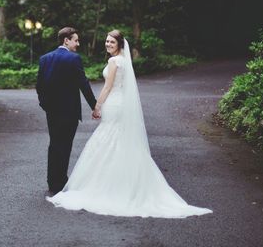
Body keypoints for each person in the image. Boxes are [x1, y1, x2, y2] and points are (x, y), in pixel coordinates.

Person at [46, 29, 212, 218]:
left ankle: (107, 186)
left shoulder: (113, 61)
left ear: (119, 45)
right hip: (120, 104)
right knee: (120, 140)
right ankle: (125, 182)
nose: (108, 44)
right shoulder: (124, 61)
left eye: (112, 42)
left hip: (114, 104)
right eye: (107, 41)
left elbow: (108, 87)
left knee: (108, 140)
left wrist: (97, 106)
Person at [36, 27, 100, 195]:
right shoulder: (73, 59)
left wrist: (45, 104)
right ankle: (61, 181)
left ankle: (52, 182)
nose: (77, 44)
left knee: (54, 144)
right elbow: (83, 84)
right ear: (66, 40)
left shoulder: (45, 59)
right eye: (76, 40)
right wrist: (94, 105)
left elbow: (39, 85)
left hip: (51, 111)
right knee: (65, 146)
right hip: (69, 112)